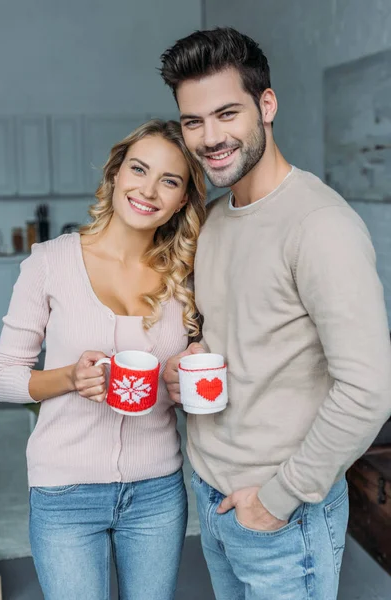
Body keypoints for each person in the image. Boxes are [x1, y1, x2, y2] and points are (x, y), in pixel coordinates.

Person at [160, 27, 391, 600]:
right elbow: (232, 336)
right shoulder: (212, 221)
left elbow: (368, 390)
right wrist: (186, 362)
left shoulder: (321, 227)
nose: (210, 137)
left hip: (282, 513)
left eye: (226, 113)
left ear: (267, 105)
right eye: (193, 121)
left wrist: (278, 499)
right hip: (214, 498)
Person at [0, 119, 206, 600]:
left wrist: (184, 377)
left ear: (182, 200)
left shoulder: (187, 276)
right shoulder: (50, 262)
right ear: (114, 174)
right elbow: (1, 377)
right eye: (139, 169)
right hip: (64, 492)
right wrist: (68, 377)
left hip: (157, 492)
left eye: (169, 181)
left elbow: (198, 377)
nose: (148, 190)